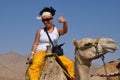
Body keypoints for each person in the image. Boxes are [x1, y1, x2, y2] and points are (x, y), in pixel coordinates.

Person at [26, 6, 74, 80]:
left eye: (48, 19)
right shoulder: (40, 31)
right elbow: (35, 43)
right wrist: (32, 54)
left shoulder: (57, 30)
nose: (46, 22)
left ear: (52, 19)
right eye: (43, 20)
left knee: (69, 64)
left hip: (53, 53)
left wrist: (64, 22)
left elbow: (65, 31)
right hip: (40, 52)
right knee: (34, 68)